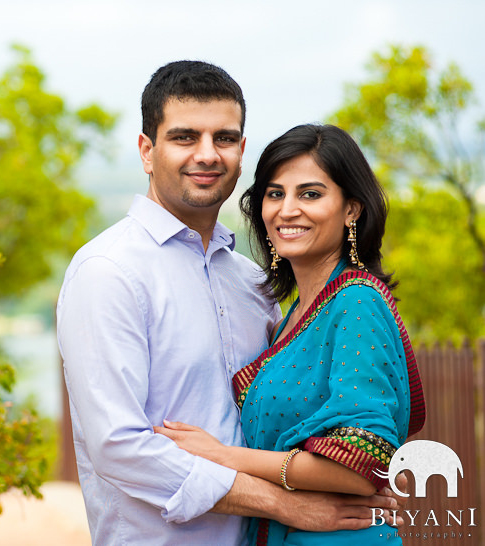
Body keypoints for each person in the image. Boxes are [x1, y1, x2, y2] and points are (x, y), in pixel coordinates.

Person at [57, 61, 402, 545]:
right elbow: (119, 449)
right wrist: (287, 504)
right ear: (146, 151)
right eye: (184, 137)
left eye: (223, 138)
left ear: (241, 152)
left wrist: (360, 472)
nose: (206, 154)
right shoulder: (109, 272)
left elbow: (310, 420)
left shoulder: (253, 284)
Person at [155, 124, 425, 545]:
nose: (288, 210)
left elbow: (364, 461)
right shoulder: (296, 313)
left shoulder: (355, 304)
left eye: (311, 194)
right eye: (275, 193)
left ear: (351, 209)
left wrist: (223, 457)